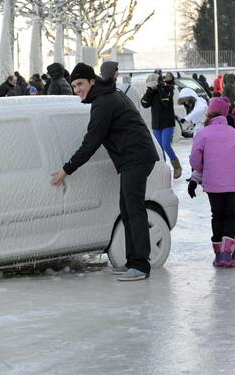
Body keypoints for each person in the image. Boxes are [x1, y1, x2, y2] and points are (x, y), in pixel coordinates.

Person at [51, 62, 159, 281]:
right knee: (127, 208)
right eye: (73, 85)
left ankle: (140, 265)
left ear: (92, 81)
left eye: (80, 84)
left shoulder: (104, 101)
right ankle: (132, 261)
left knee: (134, 209)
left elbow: (91, 141)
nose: (77, 89)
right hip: (134, 157)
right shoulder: (107, 95)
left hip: (136, 158)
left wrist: (66, 169)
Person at [188, 97, 235, 268]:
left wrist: (203, 171)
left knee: (217, 216)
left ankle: (219, 255)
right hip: (233, 182)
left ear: (210, 112)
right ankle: (227, 254)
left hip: (212, 183)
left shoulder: (203, 133)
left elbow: (195, 160)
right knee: (231, 216)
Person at [141, 72, 181, 179]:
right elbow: (144, 103)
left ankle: (176, 166)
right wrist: (150, 91)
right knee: (159, 148)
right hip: (156, 124)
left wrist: (159, 89)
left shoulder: (168, 89)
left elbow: (165, 103)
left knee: (166, 145)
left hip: (167, 123)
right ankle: (163, 169)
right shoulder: (151, 92)